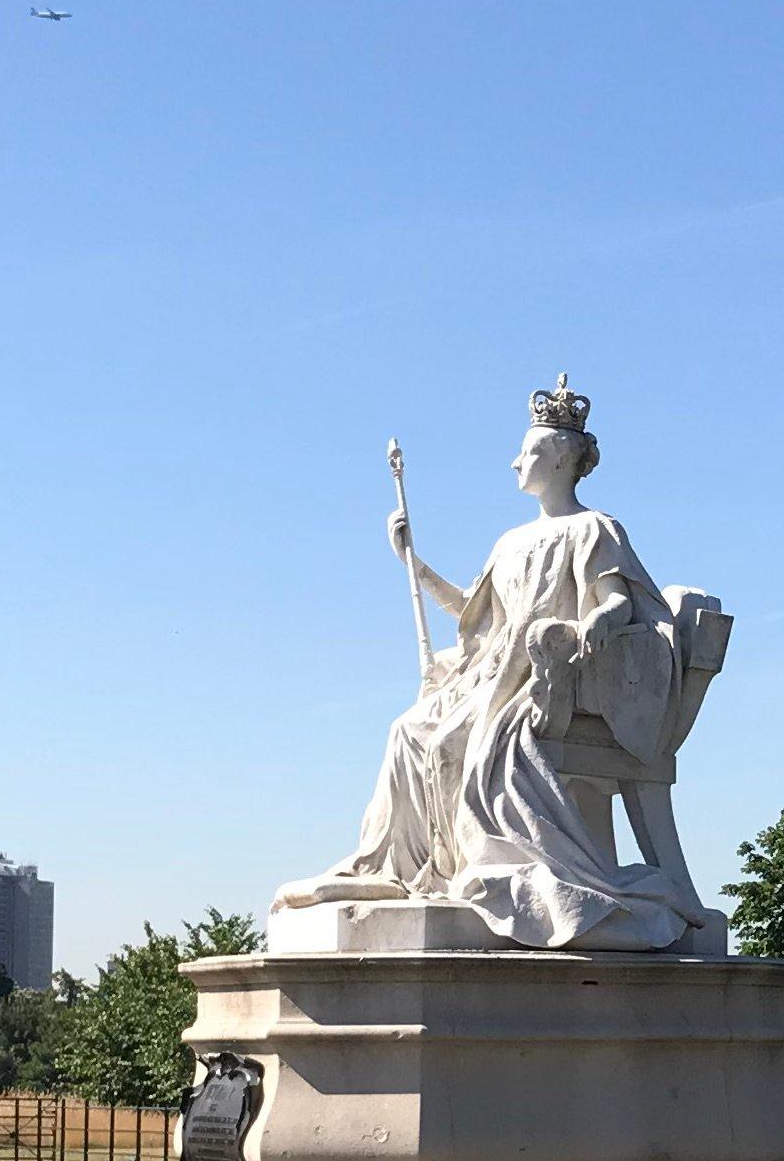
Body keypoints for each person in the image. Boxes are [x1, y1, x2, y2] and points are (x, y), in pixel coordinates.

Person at [278, 381, 705, 950]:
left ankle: (472, 865)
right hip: (497, 668)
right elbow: (472, 616)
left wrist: (590, 626)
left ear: (557, 458)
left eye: (525, 453)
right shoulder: (510, 541)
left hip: (548, 675)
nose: (514, 462)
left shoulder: (594, 528)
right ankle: (399, 867)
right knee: (408, 730)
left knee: (462, 739)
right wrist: (412, 562)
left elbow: (617, 599)